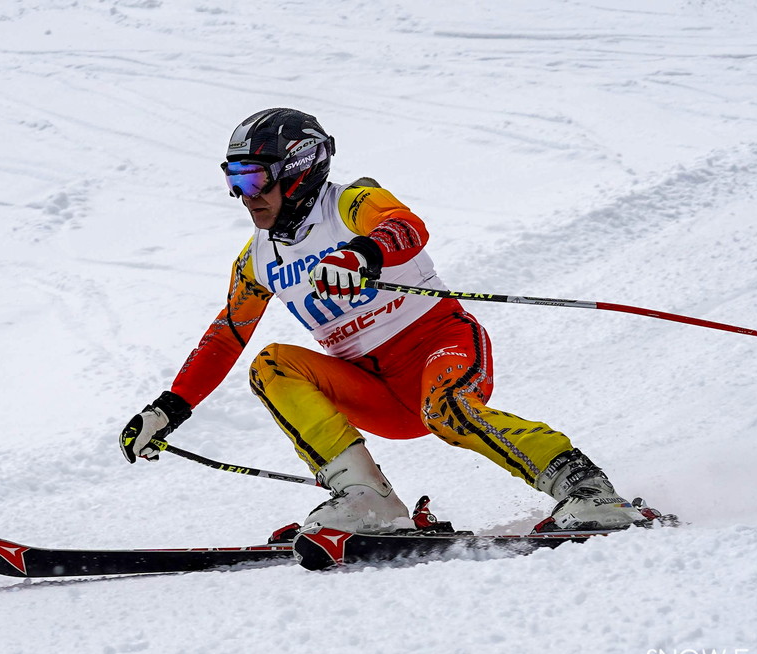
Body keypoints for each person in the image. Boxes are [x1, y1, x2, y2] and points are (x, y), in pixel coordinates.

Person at [119, 107, 652, 534]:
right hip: (374, 388)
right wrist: (169, 408)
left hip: (439, 348)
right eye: (233, 178)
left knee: (447, 412)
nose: (244, 194)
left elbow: (405, 226)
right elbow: (225, 336)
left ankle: (587, 490)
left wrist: (362, 255)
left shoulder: (351, 202)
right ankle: (366, 498)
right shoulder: (257, 258)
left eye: (254, 176)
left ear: (299, 169)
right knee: (270, 364)